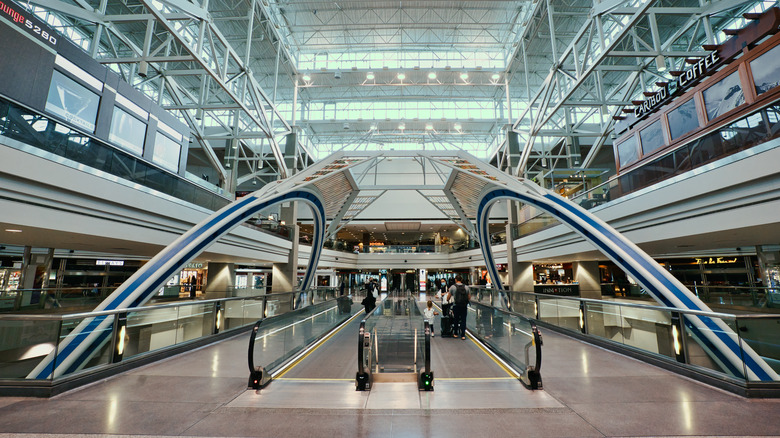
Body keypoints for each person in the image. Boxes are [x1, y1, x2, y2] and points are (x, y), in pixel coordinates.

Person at [449, 275, 470, 340]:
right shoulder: (466, 287)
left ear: (455, 280)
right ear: (461, 279)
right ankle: (463, 335)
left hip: (456, 305)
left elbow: (448, 297)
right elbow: (469, 297)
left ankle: (455, 333)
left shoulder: (453, 287)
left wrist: (448, 300)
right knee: (463, 320)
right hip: (464, 306)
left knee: (456, 319)